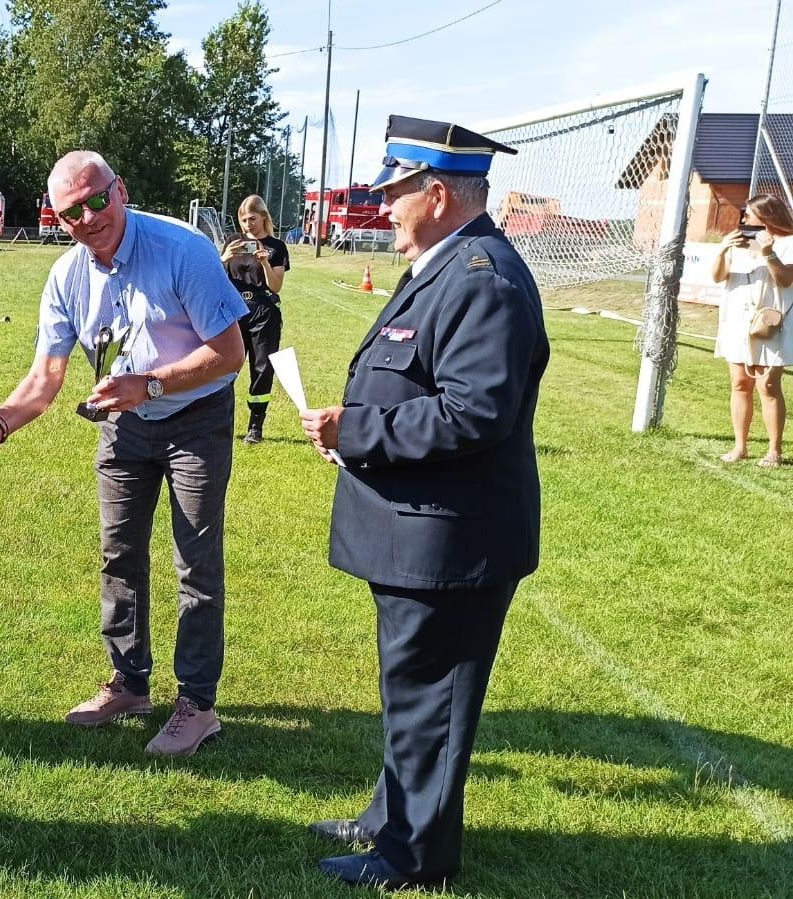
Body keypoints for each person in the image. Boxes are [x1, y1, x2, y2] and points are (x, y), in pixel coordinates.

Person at [297, 116, 550, 890]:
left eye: (396, 193)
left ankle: (415, 856)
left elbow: (476, 411)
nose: (385, 209)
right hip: (422, 530)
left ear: (436, 193)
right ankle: (391, 818)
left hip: (451, 538)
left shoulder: (482, 278)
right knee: (410, 688)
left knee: (432, 696)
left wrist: (358, 428)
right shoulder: (446, 266)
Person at [0, 151, 247, 757]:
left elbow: (229, 353)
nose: (89, 218)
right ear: (56, 217)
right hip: (123, 426)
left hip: (195, 418)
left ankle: (197, 703)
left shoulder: (183, 249)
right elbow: (45, 377)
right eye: (72, 213)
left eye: (97, 200)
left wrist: (151, 384)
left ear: (121, 189)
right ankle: (130, 682)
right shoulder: (66, 277)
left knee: (195, 562)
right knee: (118, 554)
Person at [711, 194, 793, 468]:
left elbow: (784, 279)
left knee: (768, 385)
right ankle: (740, 446)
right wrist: (723, 249)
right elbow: (718, 276)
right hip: (737, 321)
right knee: (739, 384)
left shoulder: (789, 243)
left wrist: (768, 253)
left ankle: (774, 450)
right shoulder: (739, 242)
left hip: (769, 324)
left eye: (749, 214)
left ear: (766, 214)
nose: (744, 218)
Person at [221, 195, 289, 443]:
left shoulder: (276, 246)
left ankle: (255, 427)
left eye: (252, 218)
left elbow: (276, 286)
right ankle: (221, 423)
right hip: (234, 309)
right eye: (244, 219)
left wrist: (266, 264)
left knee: (262, 368)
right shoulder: (232, 242)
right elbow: (214, 278)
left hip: (263, 310)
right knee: (226, 366)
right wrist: (224, 258)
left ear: (263, 217)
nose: (248, 224)